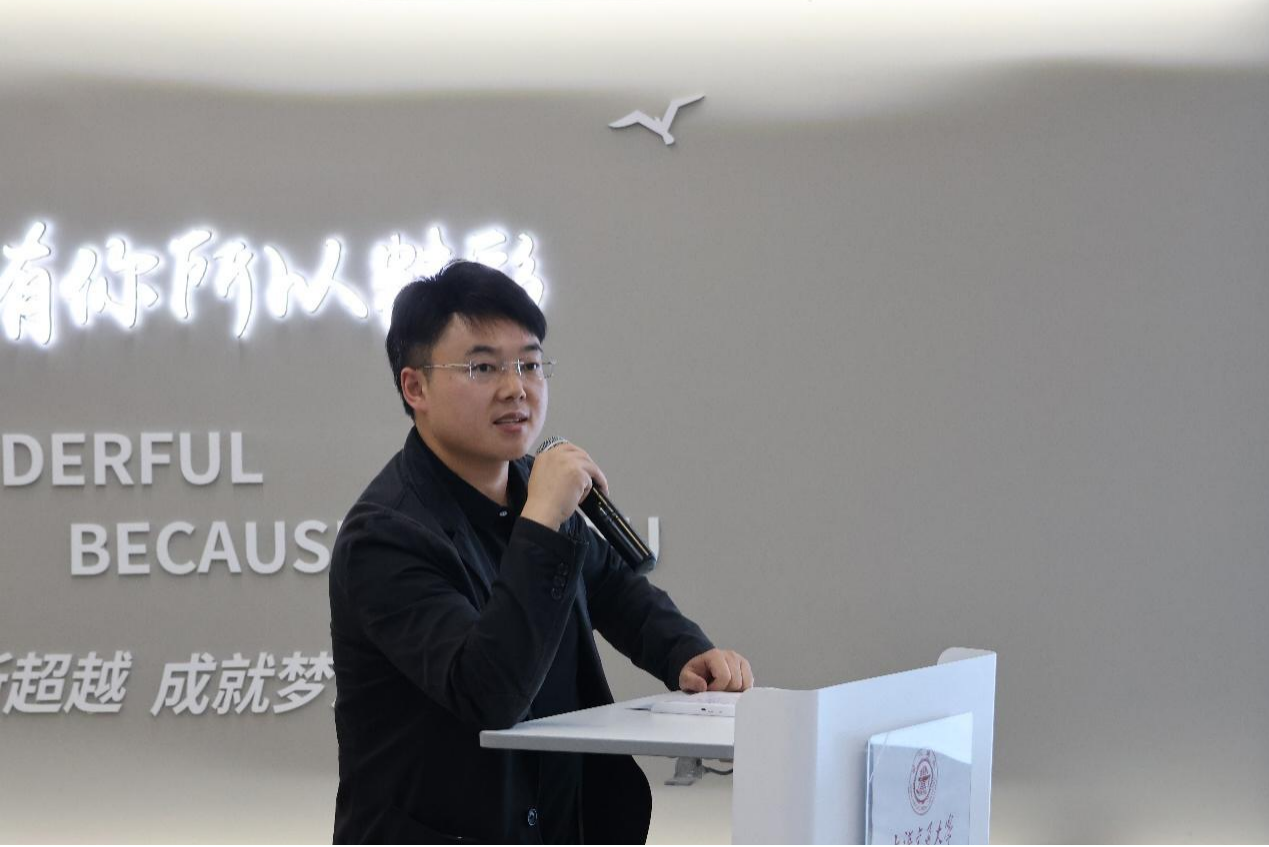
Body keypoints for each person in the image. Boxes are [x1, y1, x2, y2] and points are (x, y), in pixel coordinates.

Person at [329, 260, 753, 844]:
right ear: (415, 387)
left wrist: (685, 651)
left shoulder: (534, 486)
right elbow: (487, 691)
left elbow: (612, 588)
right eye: (482, 367)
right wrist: (544, 519)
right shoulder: (384, 535)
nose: (516, 388)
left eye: (529, 364)